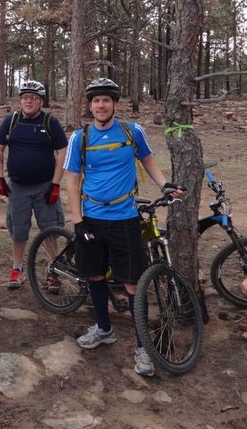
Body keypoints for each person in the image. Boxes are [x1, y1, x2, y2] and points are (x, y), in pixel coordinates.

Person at [64, 78, 184, 377]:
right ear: (89, 106)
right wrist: (77, 221)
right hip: (91, 218)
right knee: (93, 273)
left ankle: (143, 346)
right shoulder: (80, 137)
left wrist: (164, 184)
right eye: (96, 101)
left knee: (132, 282)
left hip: (125, 218)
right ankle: (104, 328)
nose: (101, 105)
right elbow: (71, 181)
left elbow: (148, 160)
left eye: (106, 100)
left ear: (114, 104)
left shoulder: (132, 131)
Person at [0, 79, 68, 289]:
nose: (29, 101)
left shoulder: (49, 122)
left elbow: (62, 151)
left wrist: (55, 184)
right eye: (25, 97)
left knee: (50, 228)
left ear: (41, 102)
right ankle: (17, 268)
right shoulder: (11, 120)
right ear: (20, 100)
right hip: (18, 186)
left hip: (45, 186)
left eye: (34, 98)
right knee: (18, 229)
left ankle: (54, 270)